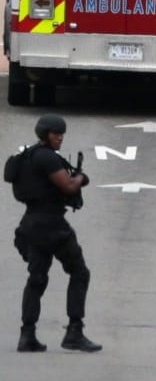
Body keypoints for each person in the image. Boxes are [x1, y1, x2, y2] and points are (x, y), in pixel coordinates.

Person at [13, 114, 101, 354]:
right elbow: (68, 186)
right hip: (52, 225)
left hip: (30, 224)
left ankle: (27, 335)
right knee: (80, 272)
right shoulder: (47, 157)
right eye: (55, 134)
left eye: (62, 134)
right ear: (45, 134)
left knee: (37, 278)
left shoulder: (27, 155)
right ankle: (74, 332)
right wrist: (81, 177)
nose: (60, 138)